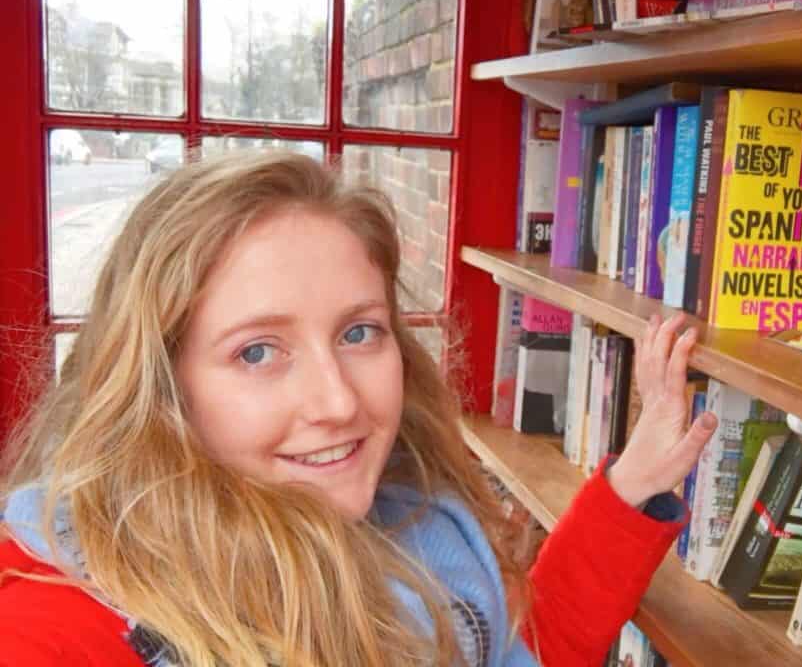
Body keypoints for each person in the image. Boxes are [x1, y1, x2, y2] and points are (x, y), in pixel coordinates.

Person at [0, 152, 717, 666]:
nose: (339, 401)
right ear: (159, 385)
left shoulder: (424, 529)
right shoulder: (62, 615)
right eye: (257, 352)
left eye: (358, 332)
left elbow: (525, 647)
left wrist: (635, 486)